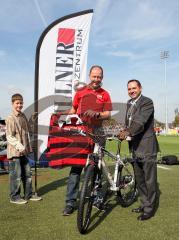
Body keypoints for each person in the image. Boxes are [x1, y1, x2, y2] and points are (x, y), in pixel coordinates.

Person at [62, 65, 112, 216]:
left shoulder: (105, 94)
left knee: (96, 168)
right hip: (81, 133)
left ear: (102, 77)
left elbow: (108, 114)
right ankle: (70, 202)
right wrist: (59, 113)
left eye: (99, 77)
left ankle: (96, 198)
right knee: (76, 169)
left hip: (98, 134)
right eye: (94, 76)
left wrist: (97, 115)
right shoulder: (80, 92)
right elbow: (73, 109)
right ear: (90, 76)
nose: (97, 79)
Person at [118, 79, 159, 221]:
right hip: (134, 147)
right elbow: (128, 122)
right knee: (140, 180)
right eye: (129, 89)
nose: (131, 91)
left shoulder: (147, 102)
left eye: (134, 88)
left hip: (147, 147)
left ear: (140, 88)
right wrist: (123, 130)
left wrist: (128, 131)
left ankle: (149, 209)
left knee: (149, 180)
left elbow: (140, 122)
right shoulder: (129, 103)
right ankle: (144, 204)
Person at [6, 93, 42, 204]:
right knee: (16, 176)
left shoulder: (23, 116)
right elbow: (9, 136)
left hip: (24, 151)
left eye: (21, 103)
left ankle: (28, 194)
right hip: (15, 152)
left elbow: (28, 130)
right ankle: (14, 197)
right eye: (17, 103)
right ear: (12, 104)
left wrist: (32, 119)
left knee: (27, 174)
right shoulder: (10, 118)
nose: (19, 105)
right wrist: (20, 146)